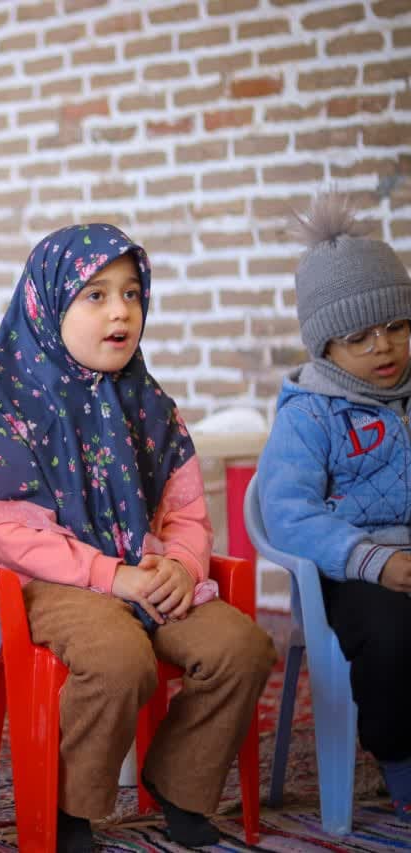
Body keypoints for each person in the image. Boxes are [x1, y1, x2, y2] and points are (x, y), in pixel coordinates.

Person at [0, 224, 275, 852]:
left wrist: (182, 565)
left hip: (149, 574)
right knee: (118, 659)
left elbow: (187, 511)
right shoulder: (13, 411)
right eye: (96, 295)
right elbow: (15, 534)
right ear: (48, 306)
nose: (121, 311)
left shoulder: (153, 407)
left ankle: (179, 783)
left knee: (242, 649)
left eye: (131, 293)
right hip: (52, 584)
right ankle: (69, 806)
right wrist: (111, 576)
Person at [257, 192, 411, 822]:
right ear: (324, 346)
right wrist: (374, 560)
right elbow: (288, 513)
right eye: (359, 336)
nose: (384, 347)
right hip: (347, 573)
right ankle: (401, 760)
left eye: (397, 326)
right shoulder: (310, 414)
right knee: (393, 636)